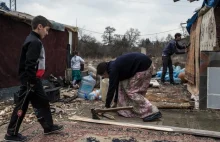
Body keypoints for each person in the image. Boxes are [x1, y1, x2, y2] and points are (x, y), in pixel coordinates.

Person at [4, 15, 63, 142]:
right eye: (46, 30)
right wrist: (31, 82)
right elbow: (30, 64)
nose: (47, 33)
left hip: (34, 80)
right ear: (39, 26)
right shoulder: (34, 42)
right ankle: (11, 134)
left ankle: (48, 127)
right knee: (21, 106)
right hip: (30, 81)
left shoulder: (33, 40)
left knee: (42, 102)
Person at [96, 52, 162, 122]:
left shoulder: (112, 70)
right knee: (124, 88)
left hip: (143, 67)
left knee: (132, 92)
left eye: (104, 76)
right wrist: (115, 102)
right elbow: (118, 87)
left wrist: (107, 106)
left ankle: (153, 111)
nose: (105, 77)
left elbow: (111, 89)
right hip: (145, 65)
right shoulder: (112, 66)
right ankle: (136, 110)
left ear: (105, 72)